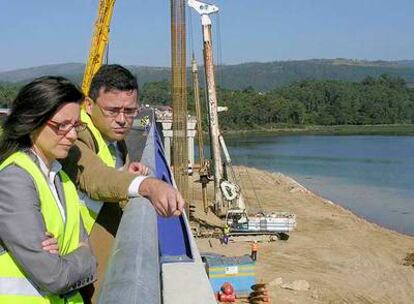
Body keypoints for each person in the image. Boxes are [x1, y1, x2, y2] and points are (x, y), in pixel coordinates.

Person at [61, 64, 185, 302]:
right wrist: (148, 185)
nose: (121, 120)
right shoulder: (75, 136)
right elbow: (95, 178)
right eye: (112, 110)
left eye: (129, 111)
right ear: (88, 105)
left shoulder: (115, 140)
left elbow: (108, 174)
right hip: (76, 267)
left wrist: (124, 172)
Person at [0, 76, 96, 304]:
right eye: (61, 125)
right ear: (33, 121)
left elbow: (86, 247)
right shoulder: (14, 179)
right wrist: (85, 258)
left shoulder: (61, 178)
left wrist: (71, 256)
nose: (72, 135)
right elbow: (54, 276)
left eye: (76, 125)